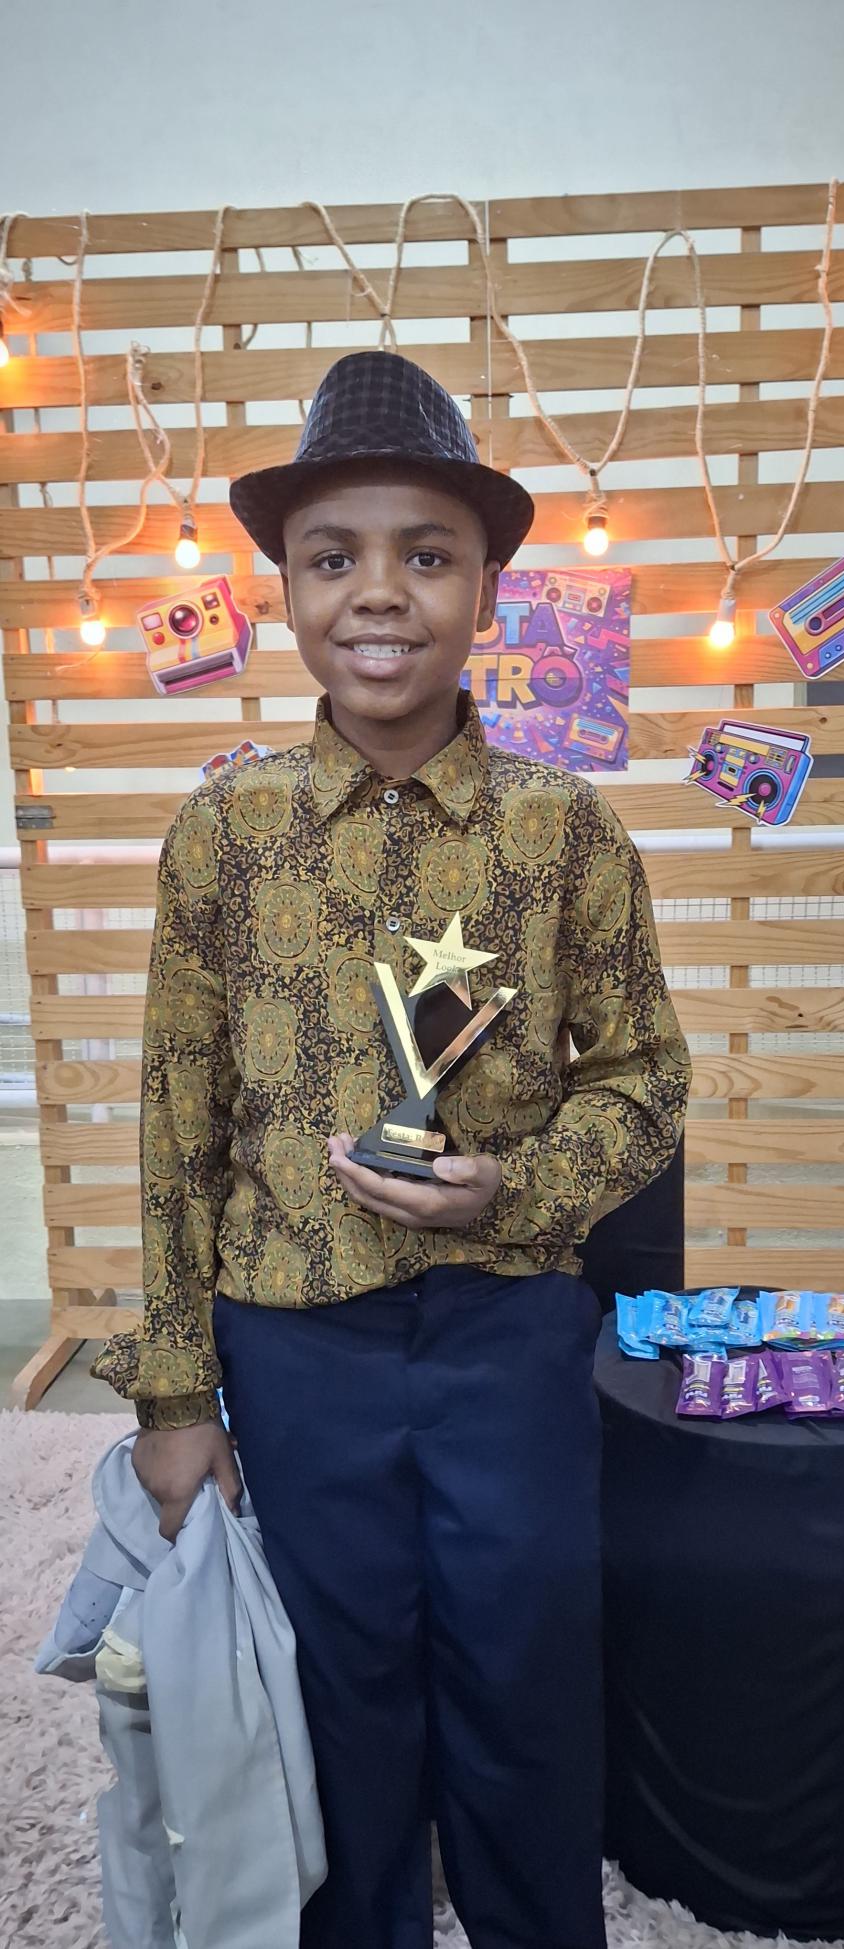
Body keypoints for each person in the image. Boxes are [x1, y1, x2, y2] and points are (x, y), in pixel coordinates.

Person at [93, 350, 692, 1949]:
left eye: (427, 555)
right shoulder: (224, 836)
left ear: (488, 588)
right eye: (332, 556)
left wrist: (522, 1186)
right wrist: (176, 1395)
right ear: (286, 587)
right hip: (297, 1344)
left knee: (526, 1670)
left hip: (510, 1332)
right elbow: (177, 1122)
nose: (379, 592)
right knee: (339, 1690)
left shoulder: (569, 833)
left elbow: (644, 1079)